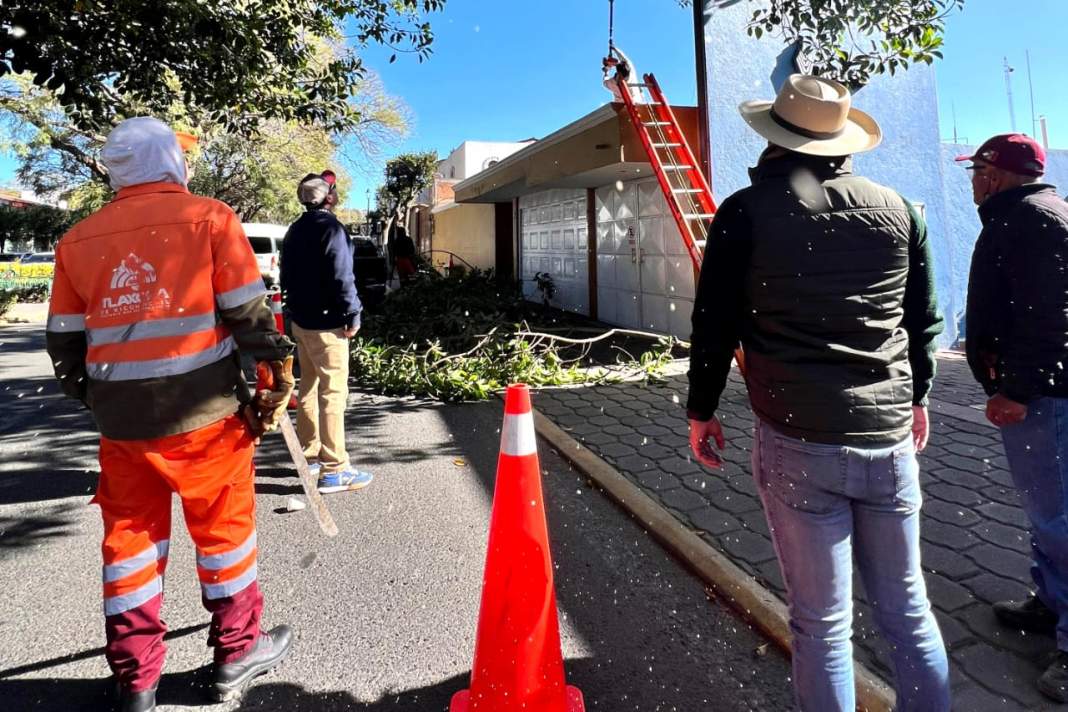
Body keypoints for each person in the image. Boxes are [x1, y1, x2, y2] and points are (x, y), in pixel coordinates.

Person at [686, 75, 948, 711]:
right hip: (889, 443)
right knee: (909, 610)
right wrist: (918, 400)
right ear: (839, 140)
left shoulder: (745, 213)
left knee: (824, 626)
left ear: (776, 139)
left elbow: (714, 323)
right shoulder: (901, 209)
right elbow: (925, 323)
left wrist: (702, 409)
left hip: (798, 439)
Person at [45, 117, 295, 712]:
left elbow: (63, 343)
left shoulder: (77, 240)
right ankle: (236, 655)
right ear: (168, 161)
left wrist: (100, 398)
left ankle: (136, 681)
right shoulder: (210, 219)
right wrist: (271, 387)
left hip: (122, 428)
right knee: (224, 537)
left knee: (129, 545)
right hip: (207, 420)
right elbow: (251, 320)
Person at [961, 133, 1068, 702]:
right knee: (1046, 510)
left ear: (994, 174)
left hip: (1046, 398)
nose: (973, 181)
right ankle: (1049, 604)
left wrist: (1018, 389)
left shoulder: (1032, 219)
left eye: (976, 171)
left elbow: (1049, 317)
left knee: (1059, 517)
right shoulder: (1031, 213)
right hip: (1044, 395)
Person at [280, 171, 372, 493]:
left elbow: (285, 275)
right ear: (328, 198)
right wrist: (353, 313)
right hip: (327, 325)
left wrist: (290, 314)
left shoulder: (294, 230)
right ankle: (334, 469)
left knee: (308, 387)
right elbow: (342, 275)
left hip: (301, 323)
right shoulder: (331, 229)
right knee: (332, 393)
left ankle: (311, 455)